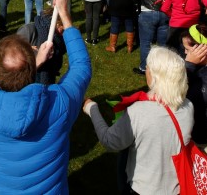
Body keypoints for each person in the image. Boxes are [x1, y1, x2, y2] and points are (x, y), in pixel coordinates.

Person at [0, 0, 90, 194]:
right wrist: (64, 15)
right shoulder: (58, 103)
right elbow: (81, 67)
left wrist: (35, 63)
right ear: (32, 72)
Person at [83, 46, 193, 194]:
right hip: (177, 186)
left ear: (155, 76)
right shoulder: (188, 106)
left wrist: (92, 108)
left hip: (143, 188)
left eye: (147, 67)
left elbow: (110, 141)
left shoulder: (139, 112)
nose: (146, 69)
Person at [133, 0, 173, 74]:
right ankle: (162, 68)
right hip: (164, 13)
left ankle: (144, 68)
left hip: (147, 13)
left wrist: (139, 10)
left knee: (146, 43)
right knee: (163, 43)